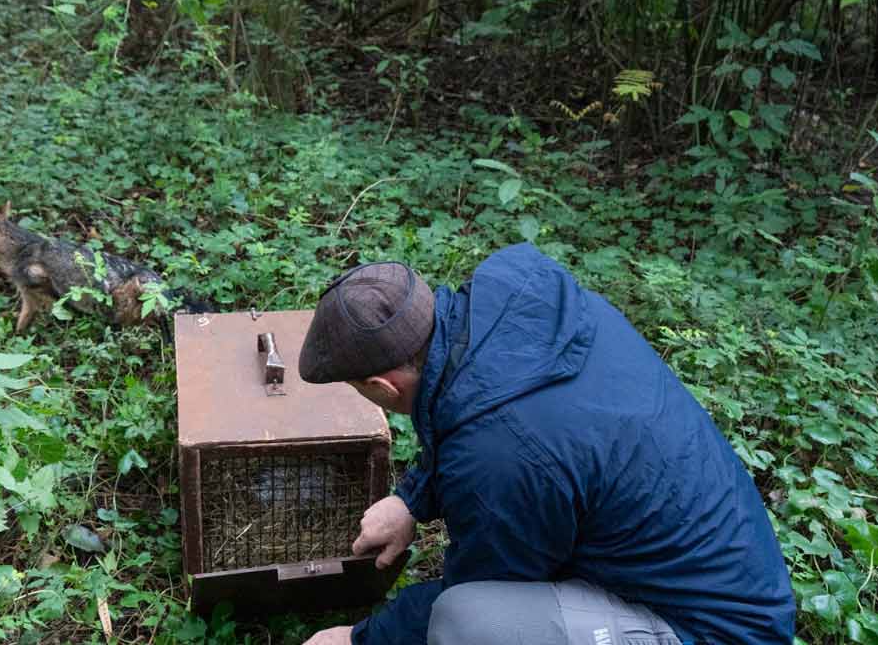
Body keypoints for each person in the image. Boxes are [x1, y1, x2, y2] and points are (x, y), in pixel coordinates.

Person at [296, 245, 795, 645]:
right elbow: (465, 398)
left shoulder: (503, 457)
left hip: (712, 630)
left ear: (383, 387)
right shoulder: (518, 304)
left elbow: (486, 584)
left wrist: (362, 637)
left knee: (464, 620)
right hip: (723, 565)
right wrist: (411, 500)